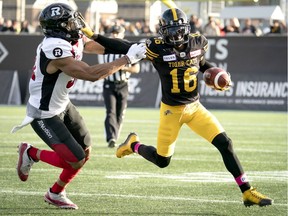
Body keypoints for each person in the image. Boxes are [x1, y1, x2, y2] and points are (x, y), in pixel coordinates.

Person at [115, 8, 273, 207]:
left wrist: (217, 75)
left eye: (179, 30)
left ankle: (247, 191)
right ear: (162, 31)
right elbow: (123, 45)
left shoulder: (196, 42)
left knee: (226, 143)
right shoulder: (156, 47)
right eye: (172, 31)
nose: (176, 35)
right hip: (171, 112)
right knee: (163, 161)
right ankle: (133, 145)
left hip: (195, 108)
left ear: (186, 29)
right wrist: (94, 36)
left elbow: (203, 63)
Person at [12, 3, 145, 210]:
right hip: (43, 113)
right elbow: (91, 74)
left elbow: (102, 46)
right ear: (58, 27)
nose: (75, 25)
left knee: (85, 150)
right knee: (75, 159)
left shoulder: (71, 39)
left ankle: (55, 193)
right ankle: (31, 153)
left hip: (63, 104)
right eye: (70, 22)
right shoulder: (54, 48)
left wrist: (136, 46)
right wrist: (128, 59)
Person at [102, 25, 140, 148]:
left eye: (117, 33)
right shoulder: (104, 47)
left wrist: (124, 67)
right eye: (113, 32)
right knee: (110, 111)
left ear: (122, 34)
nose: (114, 35)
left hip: (123, 84)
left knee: (120, 113)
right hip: (109, 84)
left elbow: (136, 68)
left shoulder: (128, 48)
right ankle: (111, 138)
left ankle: (115, 135)